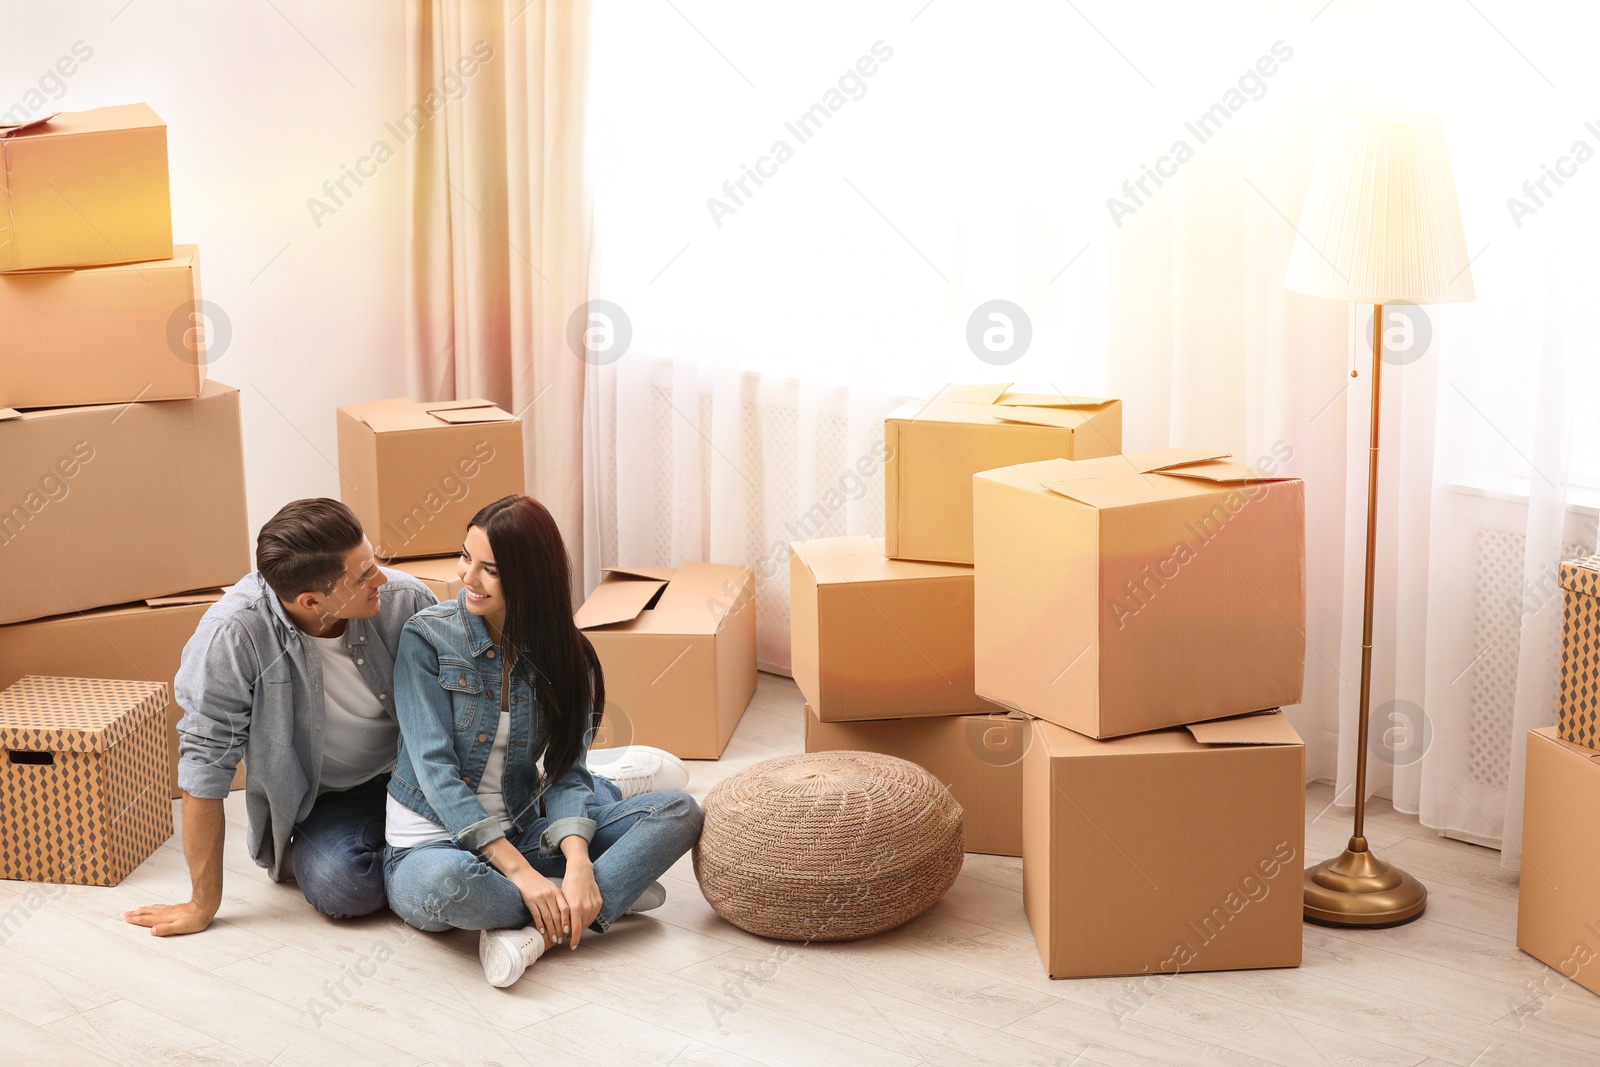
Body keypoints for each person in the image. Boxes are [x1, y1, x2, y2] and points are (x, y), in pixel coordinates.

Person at [124, 496, 682, 937]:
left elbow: (471, 718)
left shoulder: (405, 603)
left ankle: (585, 817)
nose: (383, 581)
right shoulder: (232, 636)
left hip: (431, 772)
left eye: (375, 561)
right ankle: (597, 886)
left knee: (630, 805)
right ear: (312, 602)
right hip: (340, 798)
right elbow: (204, 766)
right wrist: (203, 903)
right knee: (347, 887)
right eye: (363, 575)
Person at [383, 495, 703, 987]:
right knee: (452, 885)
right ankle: (594, 899)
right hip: (428, 848)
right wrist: (525, 876)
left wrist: (577, 862)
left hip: (522, 829)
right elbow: (436, 775)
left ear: (531, 575)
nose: (467, 578)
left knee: (678, 813)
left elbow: (564, 773)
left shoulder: (565, 654)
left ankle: (535, 932)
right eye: (466, 558)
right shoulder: (426, 638)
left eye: (491, 569)